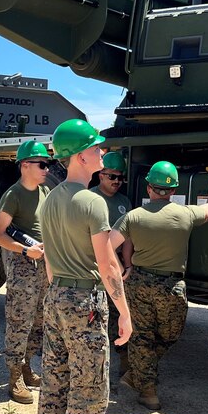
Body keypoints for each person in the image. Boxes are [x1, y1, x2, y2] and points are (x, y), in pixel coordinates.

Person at [36, 119, 132, 414]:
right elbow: (108, 264)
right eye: (96, 148)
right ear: (79, 156)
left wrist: (57, 295)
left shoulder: (49, 200)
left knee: (55, 381)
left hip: (56, 294)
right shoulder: (92, 202)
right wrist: (124, 311)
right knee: (89, 387)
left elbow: (47, 261)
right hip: (85, 301)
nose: (102, 153)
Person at [109, 162, 208, 411]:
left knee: (142, 337)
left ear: (149, 188)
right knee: (170, 334)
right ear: (173, 191)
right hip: (171, 285)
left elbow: (107, 246)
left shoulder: (133, 216)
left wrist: (121, 268)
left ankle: (141, 375)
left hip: (138, 282)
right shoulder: (186, 214)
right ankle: (147, 390)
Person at [0, 139, 51, 405]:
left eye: (47, 163)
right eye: (41, 163)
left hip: (42, 265)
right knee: (19, 321)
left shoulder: (45, 192)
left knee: (38, 321)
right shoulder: (13, 195)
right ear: (25, 165)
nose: (46, 168)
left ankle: (27, 366)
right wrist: (27, 251)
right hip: (23, 266)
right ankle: (14, 375)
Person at [90, 150, 131, 376]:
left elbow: (128, 235)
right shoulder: (91, 199)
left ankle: (124, 361)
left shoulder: (124, 202)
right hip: (97, 267)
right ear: (101, 175)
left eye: (120, 177)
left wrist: (128, 263)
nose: (117, 182)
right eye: (112, 176)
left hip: (118, 268)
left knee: (120, 314)